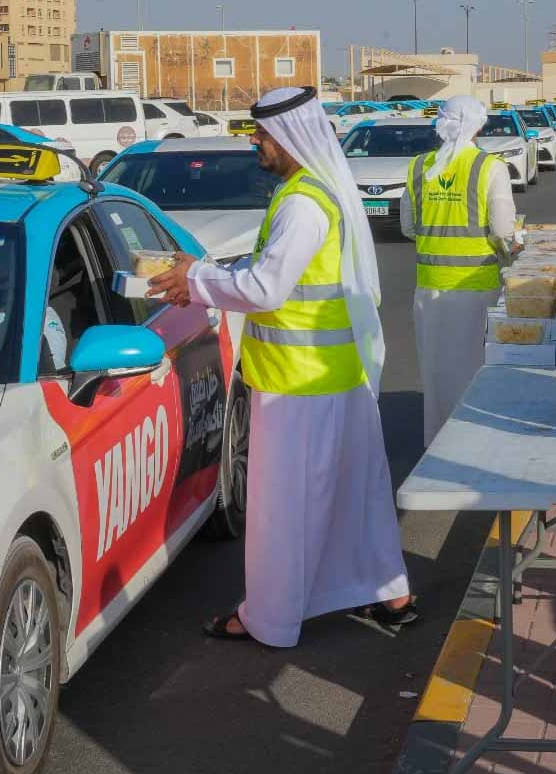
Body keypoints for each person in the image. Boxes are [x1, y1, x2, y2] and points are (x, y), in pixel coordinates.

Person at [146, 86, 414, 647]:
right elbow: (272, 270)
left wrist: (195, 281)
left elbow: (266, 288)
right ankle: (392, 593)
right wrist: (209, 269)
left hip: (299, 387)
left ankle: (267, 618)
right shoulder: (309, 193)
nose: (256, 144)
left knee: (282, 511)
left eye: (263, 135)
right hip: (331, 377)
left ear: (290, 136)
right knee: (355, 491)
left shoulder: (302, 203)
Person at [403, 96, 517, 444]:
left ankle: (436, 444)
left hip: (429, 290)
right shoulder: (489, 167)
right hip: (476, 290)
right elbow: (502, 231)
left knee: (436, 374)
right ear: (479, 126)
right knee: (474, 373)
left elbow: (408, 227)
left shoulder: (418, 166)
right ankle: (472, 445)